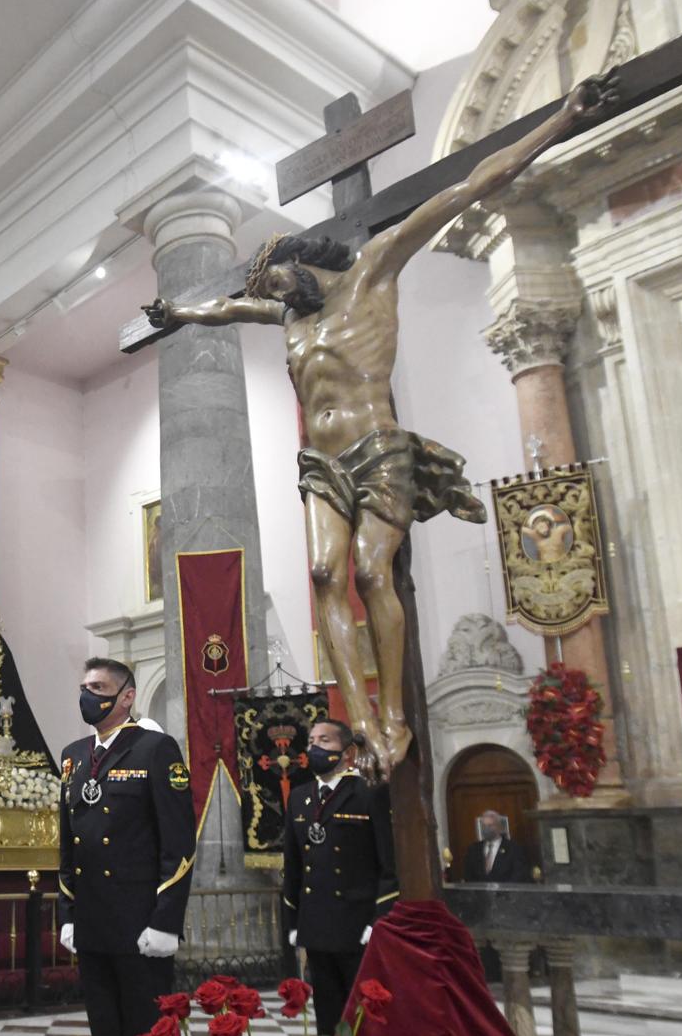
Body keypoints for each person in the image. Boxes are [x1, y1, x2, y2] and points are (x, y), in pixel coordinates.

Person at [143, 76, 615, 777]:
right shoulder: (285, 313)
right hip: (321, 461)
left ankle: (392, 713)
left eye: (277, 285)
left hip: (377, 449)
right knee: (324, 569)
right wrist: (178, 313)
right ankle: (360, 719)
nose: (276, 301)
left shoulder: (374, 272)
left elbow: (468, 186)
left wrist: (563, 120)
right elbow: (223, 310)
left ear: (300, 263)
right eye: (268, 294)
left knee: (370, 570)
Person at [57, 658, 196, 1036]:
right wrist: (68, 912)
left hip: (141, 929)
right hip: (94, 925)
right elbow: (67, 843)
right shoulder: (74, 755)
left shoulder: (156, 749)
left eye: (97, 687)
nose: (87, 695)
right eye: (83, 686)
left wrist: (166, 921)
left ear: (126, 696)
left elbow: (178, 844)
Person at [281, 720, 396, 1036]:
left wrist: (379, 922)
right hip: (317, 928)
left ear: (347, 753)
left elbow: (389, 865)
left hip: (357, 927)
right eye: (312, 741)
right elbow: (293, 865)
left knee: (363, 1022)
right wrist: (293, 922)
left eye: (325, 741)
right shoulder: (300, 797)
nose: (315, 748)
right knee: (327, 1023)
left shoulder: (368, 794)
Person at [461, 810, 534, 884]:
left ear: (499, 826)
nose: (486, 829)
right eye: (484, 826)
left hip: (506, 893)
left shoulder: (514, 848)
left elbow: (518, 876)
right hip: (480, 894)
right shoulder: (473, 849)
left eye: (490, 825)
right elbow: (468, 877)